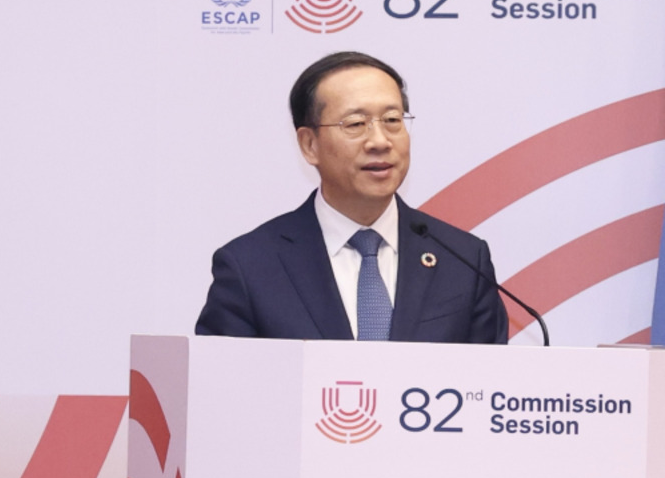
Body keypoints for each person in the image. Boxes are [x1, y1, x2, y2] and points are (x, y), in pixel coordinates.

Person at [196, 51, 508, 343]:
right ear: (309, 144)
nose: (380, 141)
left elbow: (489, 378)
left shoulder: (464, 260)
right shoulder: (250, 266)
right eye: (356, 124)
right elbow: (223, 379)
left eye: (392, 120)